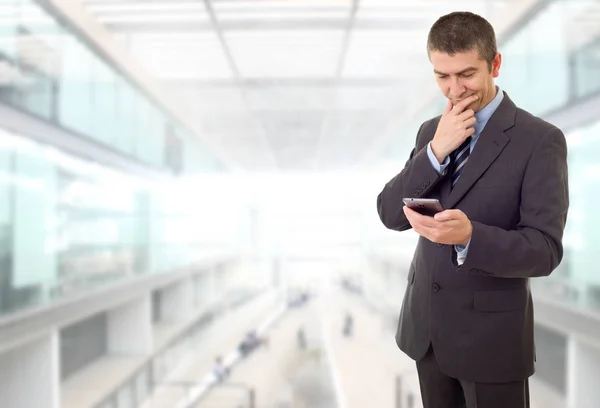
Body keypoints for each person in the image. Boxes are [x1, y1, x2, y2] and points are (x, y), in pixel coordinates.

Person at [376, 11, 569, 408]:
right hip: (427, 333)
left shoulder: (540, 141)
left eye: (465, 74)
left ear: (495, 64)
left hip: (492, 342)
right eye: (441, 76)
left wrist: (469, 237)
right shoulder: (432, 131)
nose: (453, 90)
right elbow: (390, 214)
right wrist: (435, 152)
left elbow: (544, 249)